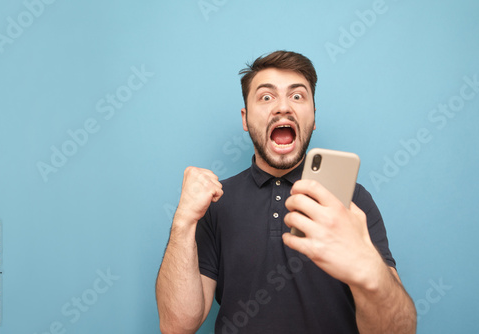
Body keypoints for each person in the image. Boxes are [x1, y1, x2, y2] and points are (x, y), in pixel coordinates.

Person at [156, 50, 417, 333]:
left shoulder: (351, 201)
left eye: (297, 96)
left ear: (313, 118)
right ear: (245, 119)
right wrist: (183, 221)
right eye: (266, 97)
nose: (283, 107)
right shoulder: (216, 203)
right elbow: (177, 326)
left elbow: (400, 330)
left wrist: (368, 269)